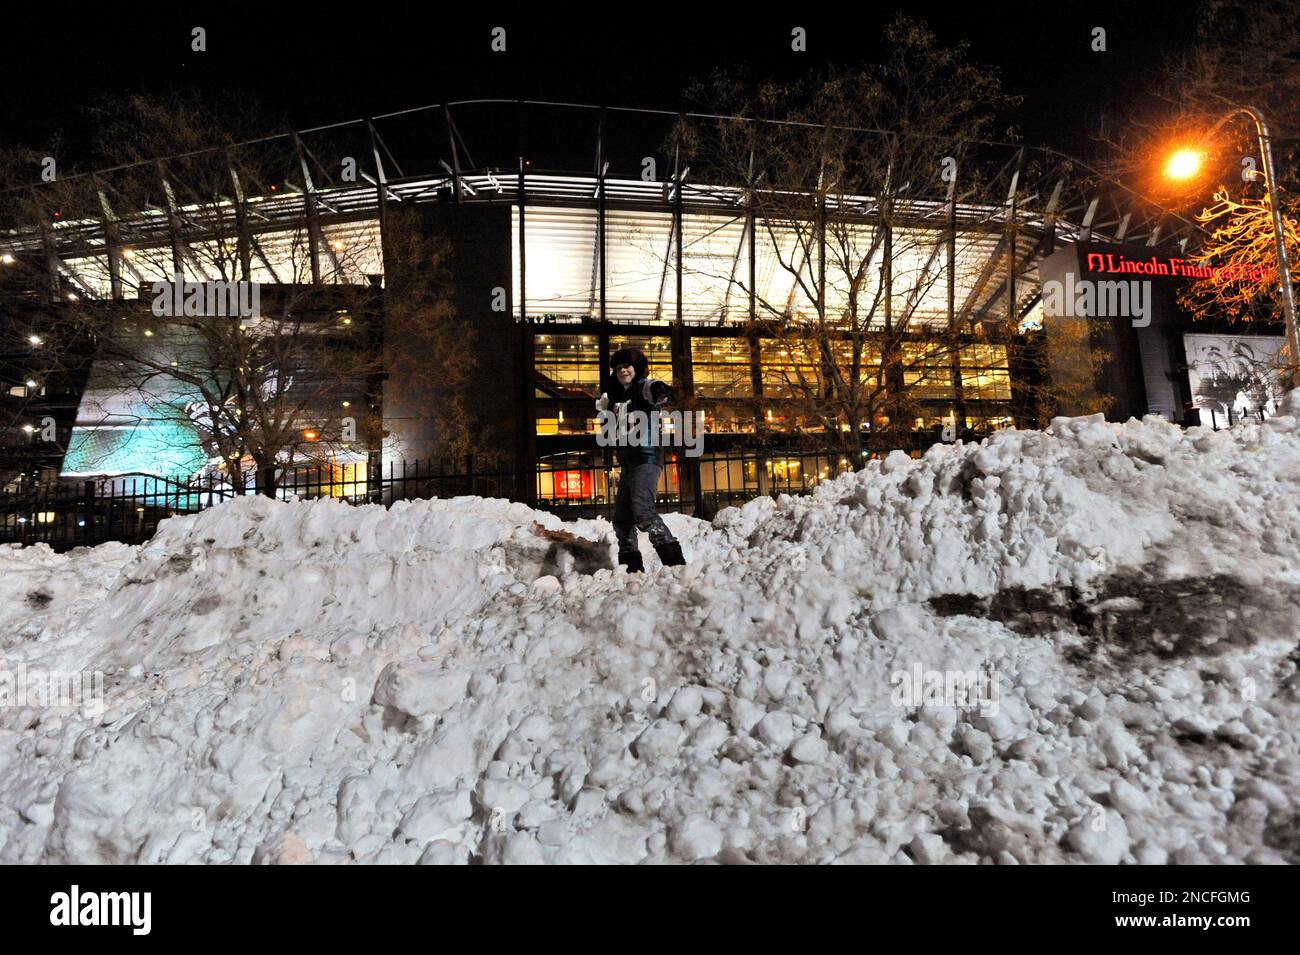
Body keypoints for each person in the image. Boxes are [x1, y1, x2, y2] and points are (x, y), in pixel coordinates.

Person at [597, 346, 686, 572]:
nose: (623, 370)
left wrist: (660, 389)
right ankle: (631, 570)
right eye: (618, 368)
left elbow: (652, 388)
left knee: (643, 511)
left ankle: (675, 565)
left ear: (636, 368)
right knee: (622, 520)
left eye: (627, 366)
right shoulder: (619, 398)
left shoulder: (641, 388)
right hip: (629, 463)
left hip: (646, 458)